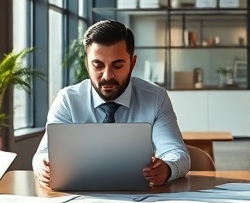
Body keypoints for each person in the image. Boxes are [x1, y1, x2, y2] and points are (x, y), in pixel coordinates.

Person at [32, 20, 190, 187]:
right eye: (98, 65)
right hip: (79, 198)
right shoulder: (67, 100)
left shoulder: (155, 98)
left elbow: (177, 153)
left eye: (117, 65)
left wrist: (167, 169)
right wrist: (44, 167)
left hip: (139, 198)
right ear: (87, 63)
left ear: (133, 63)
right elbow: (43, 153)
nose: (107, 75)